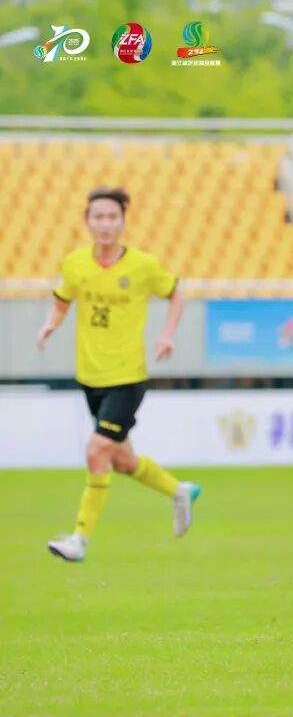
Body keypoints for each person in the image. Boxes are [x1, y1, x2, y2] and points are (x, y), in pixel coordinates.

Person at [37, 186, 201, 562]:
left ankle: (79, 539)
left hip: (127, 378)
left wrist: (167, 334)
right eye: (99, 217)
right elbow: (62, 301)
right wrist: (49, 325)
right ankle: (179, 491)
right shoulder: (75, 263)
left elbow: (176, 293)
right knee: (123, 461)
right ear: (87, 221)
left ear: (123, 222)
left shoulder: (142, 265)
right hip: (90, 377)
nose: (105, 224)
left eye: (112, 217)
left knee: (97, 450)